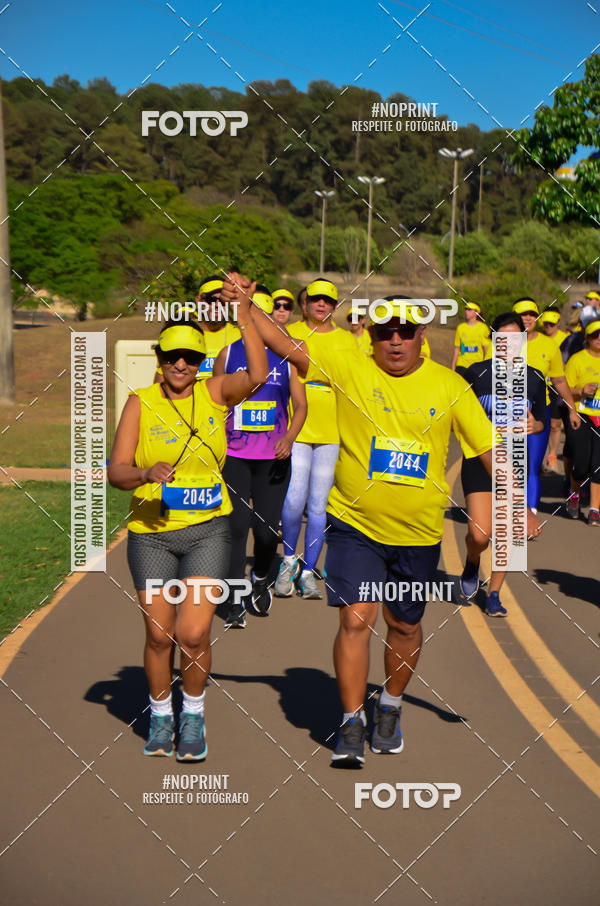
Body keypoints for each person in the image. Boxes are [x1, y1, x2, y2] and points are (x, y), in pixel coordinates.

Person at [248, 286, 543, 765]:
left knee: (404, 626)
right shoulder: (349, 367)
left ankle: (389, 704)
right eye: (386, 334)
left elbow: (489, 450)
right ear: (373, 337)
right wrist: (245, 307)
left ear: (422, 335)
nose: (396, 342)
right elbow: (286, 346)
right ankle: (349, 722)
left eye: (406, 332)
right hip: (356, 525)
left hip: (419, 534)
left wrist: (521, 504)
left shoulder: (450, 387)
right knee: (355, 618)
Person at [108, 284, 268, 761]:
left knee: (193, 633)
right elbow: (116, 471)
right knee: (159, 635)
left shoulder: (216, 393)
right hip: (152, 534)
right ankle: (161, 714)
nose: (181, 364)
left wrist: (244, 315)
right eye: (173, 356)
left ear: (202, 360)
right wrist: (143, 473)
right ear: (160, 358)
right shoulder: (140, 402)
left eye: (190, 357)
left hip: (208, 532)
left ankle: (193, 714)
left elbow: (258, 374)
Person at [213, 286, 307, 628]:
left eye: (267, 317)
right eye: (256, 316)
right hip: (235, 455)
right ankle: (236, 598)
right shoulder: (227, 353)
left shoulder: (288, 359)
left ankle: (262, 575)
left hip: (273, 457)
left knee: (266, 532)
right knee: (236, 527)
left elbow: (301, 406)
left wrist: (290, 436)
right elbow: (217, 400)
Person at [460, 312, 547, 616]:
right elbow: (459, 416)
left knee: (508, 532)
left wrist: (534, 425)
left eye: (514, 338)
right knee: (480, 534)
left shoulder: (535, 379)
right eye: (501, 338)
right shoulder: (476, 374)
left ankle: (494, 593)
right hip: (479, 460)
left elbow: (541, 423)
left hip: (515, 461)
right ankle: (472, 562)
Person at [274, 278, 356, 600]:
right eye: (316, 299)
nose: (321, 305)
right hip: (297, 422)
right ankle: (288, 561)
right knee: (294, 499)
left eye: (328, 301)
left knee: (318, 504)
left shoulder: (348, 341)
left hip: (332, 428)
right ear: (305, 302)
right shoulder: (289, 332)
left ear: (335, 306)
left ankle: (308, 572)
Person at [512, 298, 579, 512]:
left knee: (532, 467)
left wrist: (572, 409)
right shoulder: (501, 342)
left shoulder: (549, 345)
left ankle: (529, 512)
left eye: (532, 313)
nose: (528, 318)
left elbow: (559, 381)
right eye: (523, 314)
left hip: (539, 414)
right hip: (506, 414)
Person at [564, 318, 600, 524]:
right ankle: (575, 494)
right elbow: (564, 389)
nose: (599, 338)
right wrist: (582, 391)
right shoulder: (577, 360)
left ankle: (594, 510)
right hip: (581, 416)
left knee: (598, 465)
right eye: (595, 335)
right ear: (587, 338)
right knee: (582, 465)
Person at [539, 308, 569, 473]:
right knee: (541, 424)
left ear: (558, 322)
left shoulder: (565, 339)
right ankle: (539, 457)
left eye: (552, 323)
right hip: (540, 388)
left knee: (556, 424)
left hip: (558, 386)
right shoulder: (538, 339)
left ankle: (552, 455)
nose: (548, 326)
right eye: (546, 323)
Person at [451, 302, 490, 376]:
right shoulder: (460, 327)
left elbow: (487, 349)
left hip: (477, 365)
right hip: (462, 364)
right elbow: (457, 348)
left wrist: (486, 367)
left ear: (477, 312)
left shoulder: (483, 328)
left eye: (469, 310)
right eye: (466, 309)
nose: (466, 312)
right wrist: (453, 367)